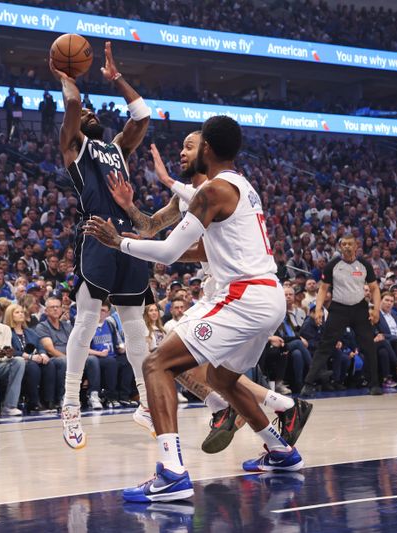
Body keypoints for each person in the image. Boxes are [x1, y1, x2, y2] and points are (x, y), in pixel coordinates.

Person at [85, 115, 302, 502]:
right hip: (270, 296)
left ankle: (171, 472)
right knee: (221, 380)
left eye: (193, 145)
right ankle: (281, 449)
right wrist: (135, 227)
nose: (186, 151)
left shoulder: (212, 191)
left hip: (243, 297)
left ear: (208, 149)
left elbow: (167, 252)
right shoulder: (243, 186)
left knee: (156, 364)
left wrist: (120, 243)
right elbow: (191, 247)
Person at [51, 41, 154, 449]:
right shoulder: (73, 147)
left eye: (96, 112)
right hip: (96, 235)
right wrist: (66, 77)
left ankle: (146, 402)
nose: (91, 112)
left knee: (135, 327)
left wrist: (118, 80)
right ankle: (71, 404)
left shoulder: (118, 149)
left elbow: (141, 115)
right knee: (87, 320)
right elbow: (74, 109)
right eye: (86, 113)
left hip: (127, 238)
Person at [300, 234, 383, 397]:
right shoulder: (333, 265)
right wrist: (318, 309)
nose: (346, 247)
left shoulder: (364, 264)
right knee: (325, 345)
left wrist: (376, 310)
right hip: (338, 309)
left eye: (349, 244)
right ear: (340, 247)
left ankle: (374, 384)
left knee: (369, 347)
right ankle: (308, 384)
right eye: (343, 244)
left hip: (360, 308)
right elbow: (323, 288)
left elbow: (374, 288)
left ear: (356, 246)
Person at [5, 303, 57, 412]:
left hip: (33, 359)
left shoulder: (29, 331)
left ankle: (48, 400)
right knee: (32, 366)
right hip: (15, 362)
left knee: (49, 364)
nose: (21, 314)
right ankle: (34, 402)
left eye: (22, 312)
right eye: (17, 312)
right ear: (10, 315)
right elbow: (9, 350)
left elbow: (40, 345)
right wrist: (30, 357)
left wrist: (43, 354)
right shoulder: (7, 332)